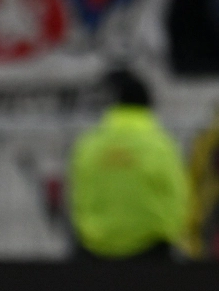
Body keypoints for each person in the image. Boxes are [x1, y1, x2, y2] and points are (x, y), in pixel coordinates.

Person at [70, 69, 191, 261]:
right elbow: (177, 196)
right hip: (151, 250)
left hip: (96, 248)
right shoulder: (161, 144)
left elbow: (79, 197)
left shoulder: (89, 144)